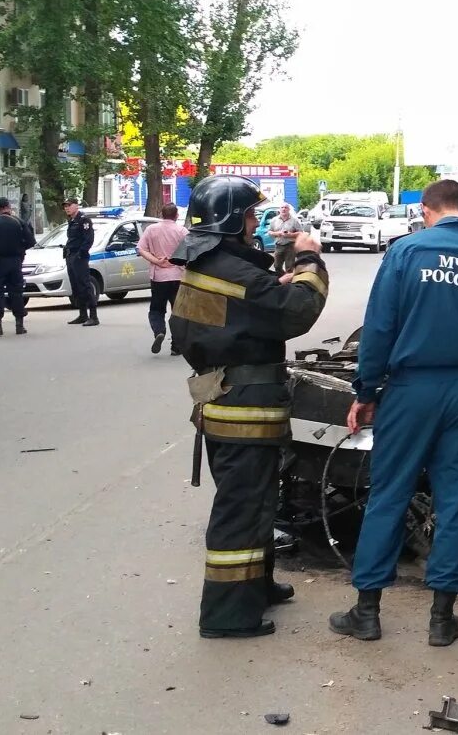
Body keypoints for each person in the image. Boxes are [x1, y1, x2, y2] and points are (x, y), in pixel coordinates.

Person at [330, 179, 458, 647]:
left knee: (389, 495)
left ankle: (367, 612)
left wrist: (366, 390)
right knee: (454, 503)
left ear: (428, 210)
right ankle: (441, 619)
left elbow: (380, 326)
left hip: (411, 390)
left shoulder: (407, 251)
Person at [169, 175, 329, 639]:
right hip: (246, 410)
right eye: (251, 215)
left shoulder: (209, 264)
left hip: (224, 403)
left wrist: (266, 290)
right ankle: (227, 616)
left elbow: (235, 314)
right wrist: (308, 258)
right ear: (232, 220)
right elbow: (298, 310)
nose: (257, 222)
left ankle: (255, 587)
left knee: (259, 503)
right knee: (242, 510)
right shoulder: (231, 272)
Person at [0, 196, 36, 336]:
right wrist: (20, 249)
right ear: (9, 206)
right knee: (16, 292)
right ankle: (19, 325)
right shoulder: (18, 221)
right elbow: (31, 241)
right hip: (16, 261)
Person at [137, 203, 189, 355]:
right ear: (176, 215)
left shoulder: (152, 230)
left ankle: (159, 330)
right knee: (178, 311)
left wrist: (155, 260)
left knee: (156, 309)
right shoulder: (182, 231)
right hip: (178, 276)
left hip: (159, 277)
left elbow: (140, 249)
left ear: (161, 215)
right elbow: (190, 250)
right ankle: (176, 346)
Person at [62, 197, 98, 326]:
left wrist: (80, 254)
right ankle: (83, 314)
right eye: (65, 206)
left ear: (76, 206)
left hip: (79, 257)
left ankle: (93, 316)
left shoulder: (84, 220)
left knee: (85, 285)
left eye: (69, 205)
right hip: (70, 256)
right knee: (76, 286)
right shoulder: (71, 221)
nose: (66, 208)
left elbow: (88, 239)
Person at [267, 204, 306, 274]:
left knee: (290, 267)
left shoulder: (294, 220)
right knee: (277, 266)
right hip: (278, 246)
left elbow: (301, 233)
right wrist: (278, 233)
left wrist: (290, 234)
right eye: (282, 207)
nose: (284, 209)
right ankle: (282, 280)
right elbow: (269, 232)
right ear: (279, 209)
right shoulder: (274, 220)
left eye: (286, 207)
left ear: (289, 210)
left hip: (290, 246)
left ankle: (289, 283)